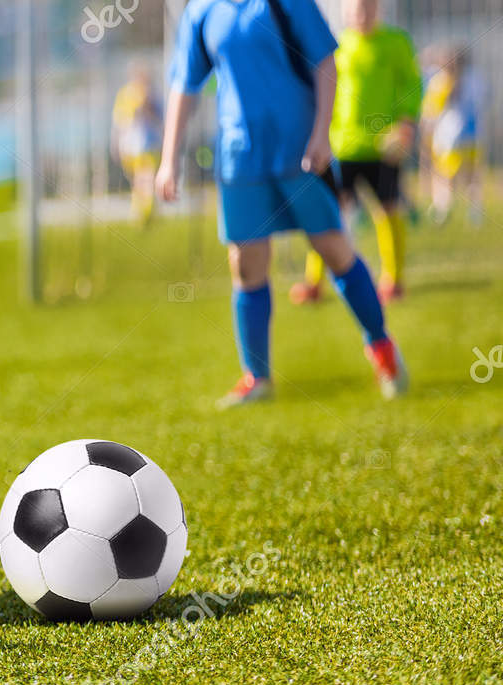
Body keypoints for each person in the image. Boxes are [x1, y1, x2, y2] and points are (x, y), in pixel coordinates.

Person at [158, 0, 409, 409]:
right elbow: (184, 84)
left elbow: (326, 63)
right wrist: (168, 160)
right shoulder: (201, 10)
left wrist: (321, 134)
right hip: (240, 158)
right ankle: (257, 377)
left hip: (301, 151)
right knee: (246, 264)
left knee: (333, 250)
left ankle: (382, 347)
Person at [292, 0, 420, 305]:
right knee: (328, 212)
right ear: (346, 12)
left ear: (378, 9)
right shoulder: (337, 46)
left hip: (383, 147)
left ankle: (393, 279)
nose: (361, 15)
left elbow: (413, 84)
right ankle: (314, 282)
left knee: (387, 209)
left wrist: (405, 123)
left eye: (367, 8)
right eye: (355, 9)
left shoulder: (396, 43)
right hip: (343, 145)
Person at [422, 46, 485, 227]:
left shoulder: (441, 82)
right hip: (472, 135)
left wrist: (427, 128)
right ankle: (474, 211)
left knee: (445, 176)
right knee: (471, 176)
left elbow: (432, 111)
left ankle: (443, 208)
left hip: (450, 138)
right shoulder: (475, 80)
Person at [112, 62, 164, 227]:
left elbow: (160, 121)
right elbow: (120, 123)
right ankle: (141, 214)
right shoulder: (125, 96)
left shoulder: (153, 96)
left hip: (149, 145)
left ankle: (145, 215)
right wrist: (117, 145)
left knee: (146, 179)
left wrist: (147, 107)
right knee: (138, 182)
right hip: (130, 147)